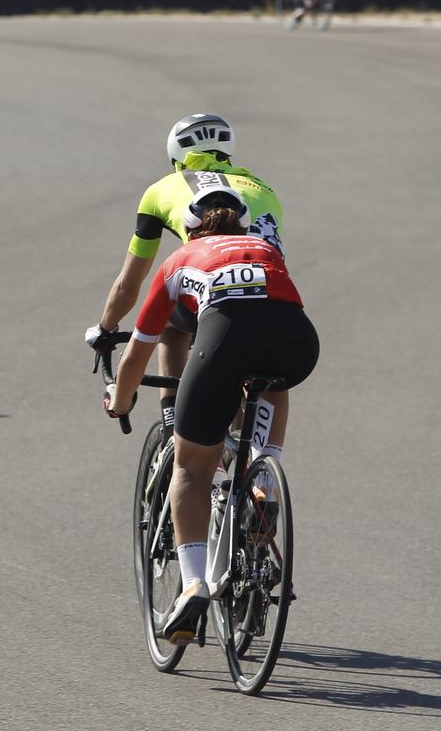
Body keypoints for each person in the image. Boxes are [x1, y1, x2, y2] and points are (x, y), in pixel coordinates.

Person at [101, 185, 318, 644]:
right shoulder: (262, 245)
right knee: (272, 380)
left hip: (224, 339)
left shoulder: (179, 261)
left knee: (191, 469)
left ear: (190, 229)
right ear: (242, 223)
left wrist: (119, 401)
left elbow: (138, 354)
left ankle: (195, 583)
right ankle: (262, 480)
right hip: (298, 342)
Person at [86, 113, 283, 431]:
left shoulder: (161, 190)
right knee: (245, 359)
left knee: (172, 326)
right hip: (273, 302)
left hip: (210, 297)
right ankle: (247, 457)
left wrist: (105, 328)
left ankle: (174, 418)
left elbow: (128, 283)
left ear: (175, 157)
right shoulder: (263, 188)